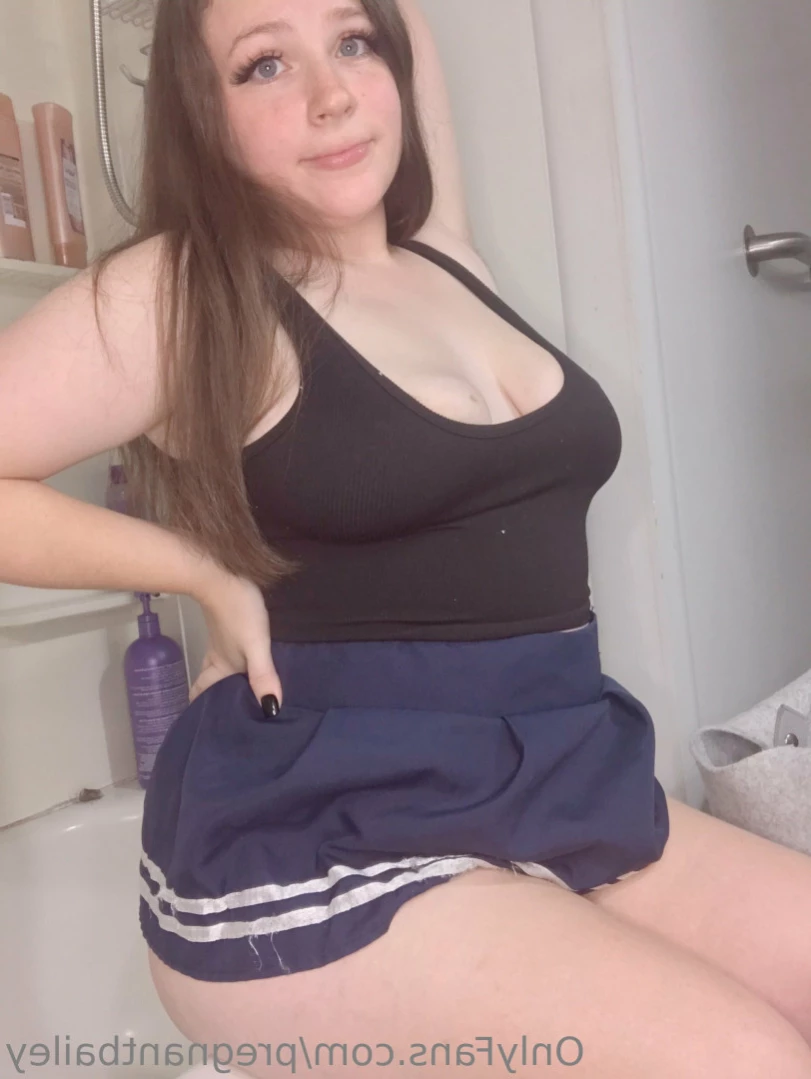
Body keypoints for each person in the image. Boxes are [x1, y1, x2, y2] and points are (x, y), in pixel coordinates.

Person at [1, 0, 811, 1074]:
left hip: (554, 770)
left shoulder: (445, 257)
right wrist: (200, 570)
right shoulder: (188, 291)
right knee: (745, 1059)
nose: (330, 94)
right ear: (201, 113)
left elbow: (407, 28)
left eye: (352, 43)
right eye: (263, 65)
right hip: (325, 820)